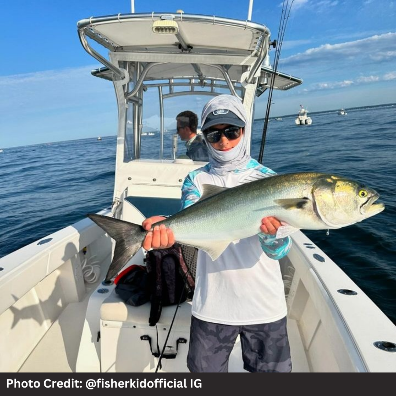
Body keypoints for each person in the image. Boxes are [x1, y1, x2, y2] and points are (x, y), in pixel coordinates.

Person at [143, 95, 292, 373]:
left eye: (232, 131)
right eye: (214, 134)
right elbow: (193, 221)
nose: (224, 141)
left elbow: (280, 251)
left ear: (244, 131)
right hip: (213, 304)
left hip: (264, 304)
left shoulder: (270, 180)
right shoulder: (197, 180)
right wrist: (166, 226)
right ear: (205, 137)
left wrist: (272, 237)